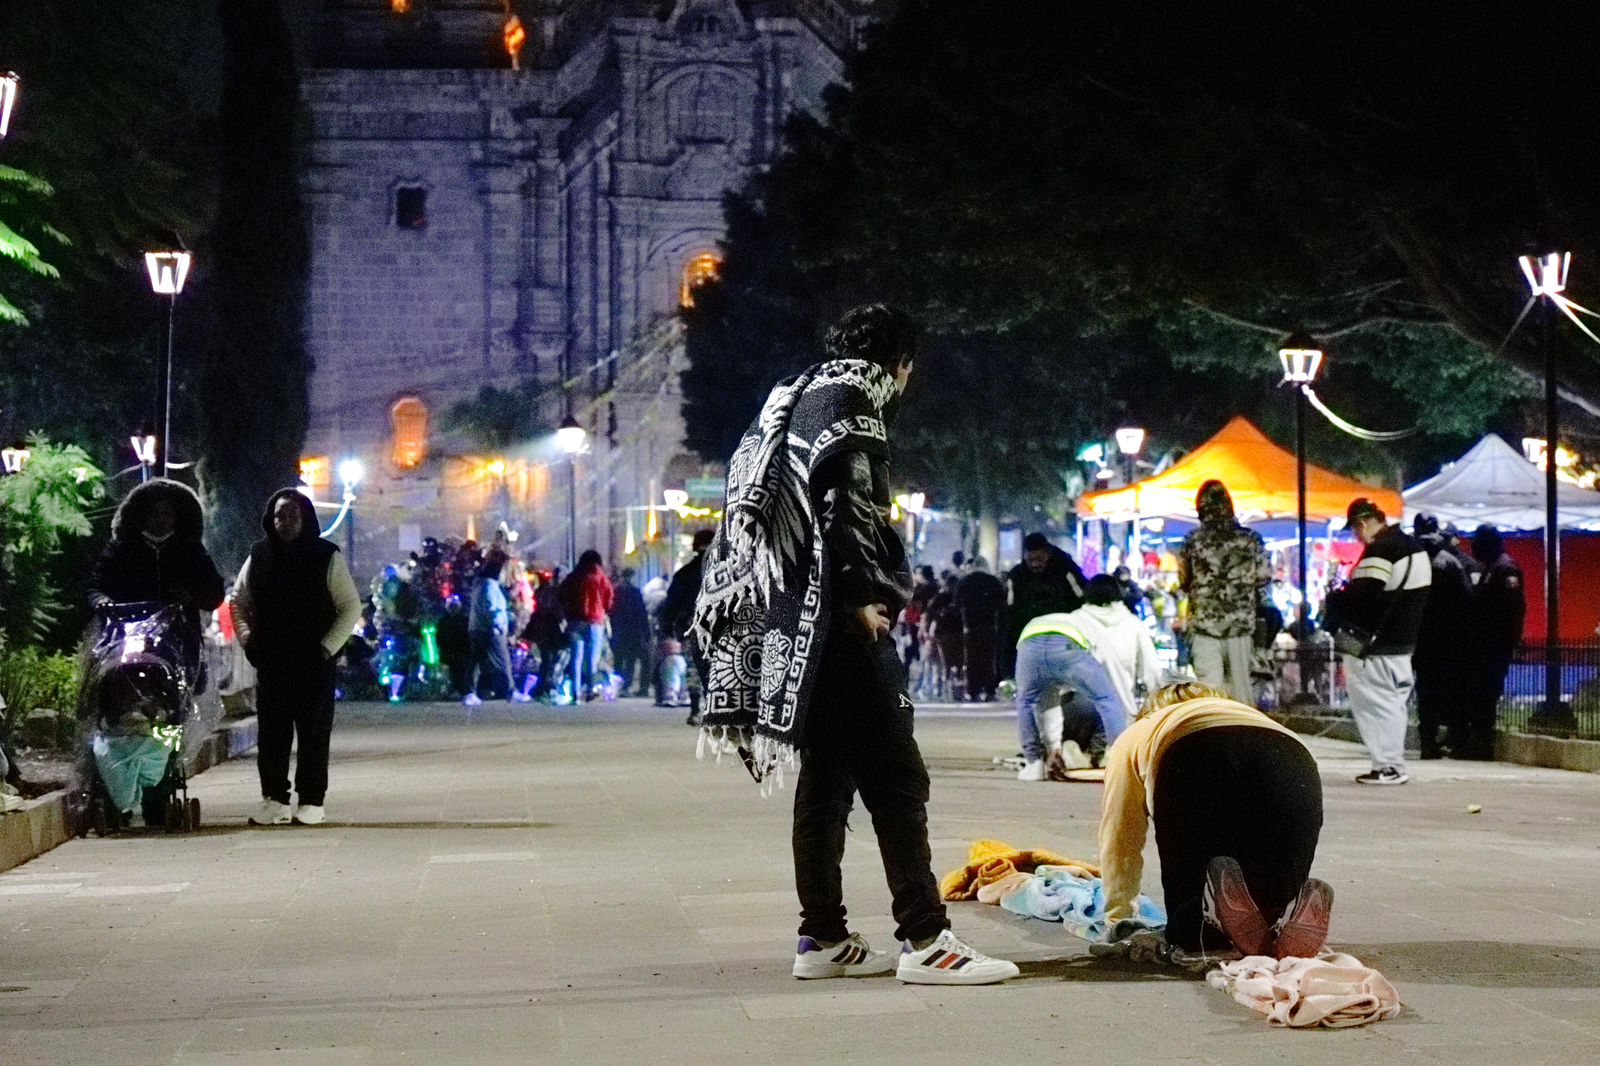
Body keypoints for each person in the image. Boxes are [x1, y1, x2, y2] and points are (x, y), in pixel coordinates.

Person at [692, 303, 1017, 984]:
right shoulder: (854, 397)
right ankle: (927, 940)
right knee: (898, 779)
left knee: (827, 781)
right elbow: (847, 502)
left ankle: (823, 940)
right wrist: (860, 593)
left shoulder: (797, 392)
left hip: (790, 623)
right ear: (899, 363)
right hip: (833, 622)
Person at [1099, 681, 1330, 964]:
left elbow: (1121, 836)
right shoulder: (1245, 713)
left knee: (1192, 917)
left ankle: (1202, 932)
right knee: (1270, 876)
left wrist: (1118, 915)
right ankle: (1283, 914)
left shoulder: (1142, 729)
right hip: (1295, 759)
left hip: (1197, 750)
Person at [231, 489, 363, 826]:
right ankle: (274, 799)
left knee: (314, 733)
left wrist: (326, 647)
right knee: (272, 735)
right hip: (272, 661)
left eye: (292, 516)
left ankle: (311, 801)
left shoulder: (325, 556)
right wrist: (248, 639)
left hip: (312, 662)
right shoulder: (259, 556)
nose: (285, 523)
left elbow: (350, 606)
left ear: (305, 519)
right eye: (279, 516)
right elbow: (238, 601)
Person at [1325, 498, 1431, 785]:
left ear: (1362, 524)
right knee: (1393, 704)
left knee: (1375, 705)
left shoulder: (1381, 549)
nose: (1357, 538)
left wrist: (1335, 599)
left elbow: (1363, 598)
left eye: (1355, 531)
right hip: (1403, 642)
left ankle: (1386, 766)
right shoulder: (1415, 548)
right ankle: (1392, 763)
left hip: (1375, 647)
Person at [88, 478, 226, 667]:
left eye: (166, 513)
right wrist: (102, 601)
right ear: (143, 516)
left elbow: (215, 592)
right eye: (154, 513)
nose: (160, 518)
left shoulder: (191, 550)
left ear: (175, 517)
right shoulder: (121, 549)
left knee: (191, 680)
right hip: (126, 633)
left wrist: (191, 597)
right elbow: (95, 585)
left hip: (179, 638)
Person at [1013, 602, 1130, 783]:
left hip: (1030, 644)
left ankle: (1034, 764)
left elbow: (1048, 703)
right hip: (1066, 645)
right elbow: (1113, 670)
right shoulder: (1092, 628)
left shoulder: (1057, 619)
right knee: (1105, 698)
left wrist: (1054, 747)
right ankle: (1122, 763)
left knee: (1025, 701)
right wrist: (1131, 710)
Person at [1178, 480, 1271, 705]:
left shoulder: (1193, 540)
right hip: (1240, 627)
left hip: (1204, 627)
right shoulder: (1251, 539)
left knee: (1209, 693)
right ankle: (1244, 738)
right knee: (1242, 693)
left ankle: (1213, 736)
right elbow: (1264, 577)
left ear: (1201, 508)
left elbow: (1183, 580)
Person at [1411, 515, 1475, 758]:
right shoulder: (1450, 562)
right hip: (1450, 639)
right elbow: (1466, 600)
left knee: (1426, 694)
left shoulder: (1412, 559)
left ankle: (1428, 743)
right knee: (1453, 691)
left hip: (1421, 638)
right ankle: (1457, 741)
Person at [1461, 525, 1525, 759]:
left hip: (1494, 646)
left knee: (1486, 695)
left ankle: (1482, 744)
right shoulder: (1491, 567)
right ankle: (1477, 741)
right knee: (1479, 694)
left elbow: (1511, 610)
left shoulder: (1505, 569)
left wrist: (1508, 641)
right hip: (1484, 645)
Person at [1065, 574, 1163, 724]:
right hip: (1121, 713)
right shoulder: (1132, 624)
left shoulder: (1074, 621)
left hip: (1079, 709)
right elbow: (1152, 670)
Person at [1004, 533, 1087, 678]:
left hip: (1063, 636)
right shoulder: (1016, 577)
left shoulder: (1065, 569)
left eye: (1039, 559)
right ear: (1024, 556)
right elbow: (1010, 614)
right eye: (1031, 560)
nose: (1035, 564)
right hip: (1029, 639)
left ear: (1048, 554)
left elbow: (1082, 601)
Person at [657, 529, 713, 717]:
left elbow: (672, 603)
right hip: (721, 626)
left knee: (695, 666)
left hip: (692, 625)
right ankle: (714, 706)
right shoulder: (726, 570)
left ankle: (696, 707)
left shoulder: (685, 573)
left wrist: (667, 626)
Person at [464, 553, 528, 706]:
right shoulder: (489, 586)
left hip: (479, 629)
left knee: (476, 661)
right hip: (491, 631)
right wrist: (500, 626)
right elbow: (492, 610)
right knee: (503, 662)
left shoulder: (481, 585)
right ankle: (510, 691)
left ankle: (470, 692)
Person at [559, 550, 615, 702]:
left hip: (575, 621)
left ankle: (575, 693)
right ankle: (590, 689)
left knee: (575, 658)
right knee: (591, 659)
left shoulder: (573, 577)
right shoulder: (602, 578)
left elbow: (562, 595)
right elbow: (609, 600)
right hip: (595, 622)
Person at [957, 557, 1006, 701]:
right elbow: (1001, 603)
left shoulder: (965, 581)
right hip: (989, 626)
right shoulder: (993, 582)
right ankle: (989, 689)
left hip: (970, 627)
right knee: (989, 659)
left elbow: (957, 602)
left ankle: (972, 690)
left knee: (971, 659)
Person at [610, 568, 651, 697]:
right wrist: (646, 631)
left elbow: (611, 611)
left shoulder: (616, 592)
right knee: (631, 660)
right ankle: (627, 686)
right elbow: (641, 613)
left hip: (619, 630)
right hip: (633, 631)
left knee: (619, 659)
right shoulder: (635, 592)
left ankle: (618, 686)